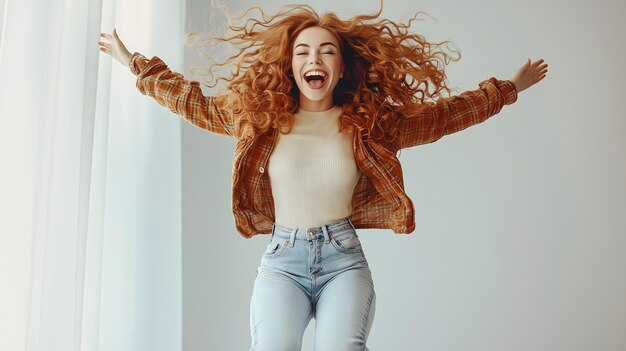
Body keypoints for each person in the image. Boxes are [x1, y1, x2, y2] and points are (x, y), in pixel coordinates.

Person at [98, 2, 548, 350]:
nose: (315, 59)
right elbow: (188, 99)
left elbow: (444, 117)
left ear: (341, 67)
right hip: (282, 263)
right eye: (304, 51)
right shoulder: (258, 120)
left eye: (326, 51)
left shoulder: (369, 125)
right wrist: (134, 62)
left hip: (343, 262)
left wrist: (508, 88)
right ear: (290, 65)